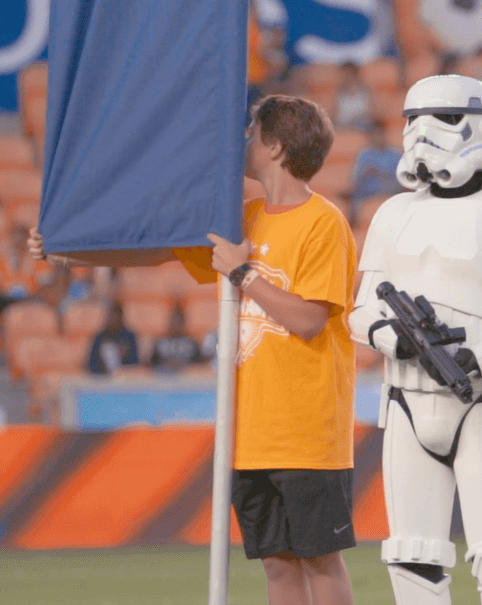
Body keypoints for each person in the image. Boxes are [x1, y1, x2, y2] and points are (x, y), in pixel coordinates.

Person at [30, 95, 359, 605]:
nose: (243, 142)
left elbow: (310, 320)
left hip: (307, 429)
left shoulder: (324, 221)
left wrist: (242, 273)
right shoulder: (245, 217)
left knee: (319, 561)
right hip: (251, 431)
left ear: (273, 146)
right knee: (277, 565)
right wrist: (69, 248)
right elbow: (158, 249)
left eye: (251, 132)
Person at [349, 74, 482, 605]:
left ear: (479, 122)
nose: (424, 132)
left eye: (445, 118)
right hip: (405, 400)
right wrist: (388, 335)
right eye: (412, 120)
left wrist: (476, 359)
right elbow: (358, 309)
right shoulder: (393, 212)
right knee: (410, 558)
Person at [351, 124, 403, 207]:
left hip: (390, 192)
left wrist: (380, 173)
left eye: (380, 134)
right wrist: (367, 172)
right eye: (375, 135)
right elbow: (356, 179)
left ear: (384, 135)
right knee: (353, 199)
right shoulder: (364, 154)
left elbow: (401, 180)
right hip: (366, 193)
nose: (378, 137)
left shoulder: (395, 154)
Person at [86, 302, 140, 376]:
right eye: (109, 315)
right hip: (103, 378)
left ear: (120, 316)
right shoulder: (100, 337)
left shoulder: (129, 337)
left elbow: (134, 363)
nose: (111, 318)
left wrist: (122, 354)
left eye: (114, 315)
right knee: (108, 349)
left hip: (125, 380)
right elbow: (92, 365)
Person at [149, 305, 202, 374]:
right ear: (169, 322)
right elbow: (150, 363)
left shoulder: (192, 343)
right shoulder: (160, 342)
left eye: (179, 321)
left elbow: (200, 364)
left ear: (183, 322)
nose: (176, 324)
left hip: (187, 379)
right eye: (174, 321)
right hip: (164, 379)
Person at [334, 61, 373, 131]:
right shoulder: (337, 94)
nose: (347, 77)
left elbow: (371, 114)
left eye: (350, 74)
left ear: (356, 74)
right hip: (343, 126)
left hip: (363, 125)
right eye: (345, 74)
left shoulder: (366, 92)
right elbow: (335, 116)